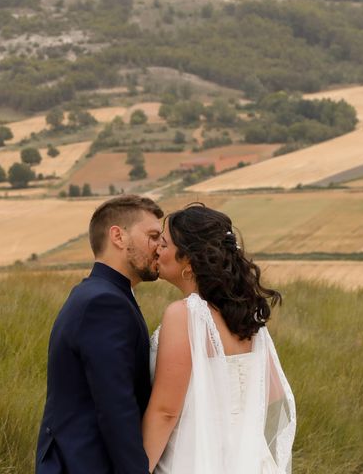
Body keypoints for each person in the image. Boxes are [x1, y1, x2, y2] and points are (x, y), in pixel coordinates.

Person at [142, 203, 296, 474]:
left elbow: (165, 412)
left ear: (188, 261)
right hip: (249, 462)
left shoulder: (186, 314)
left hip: (193, 461)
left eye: (164, 244)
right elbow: (273, 392)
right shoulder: (247, 317)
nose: (157, 249)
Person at [36, 194, 164, 474]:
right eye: (153, 236)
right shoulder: (104, 304)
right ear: (118, 236)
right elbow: (116, 407)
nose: (160, 248)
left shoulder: (99, 294)